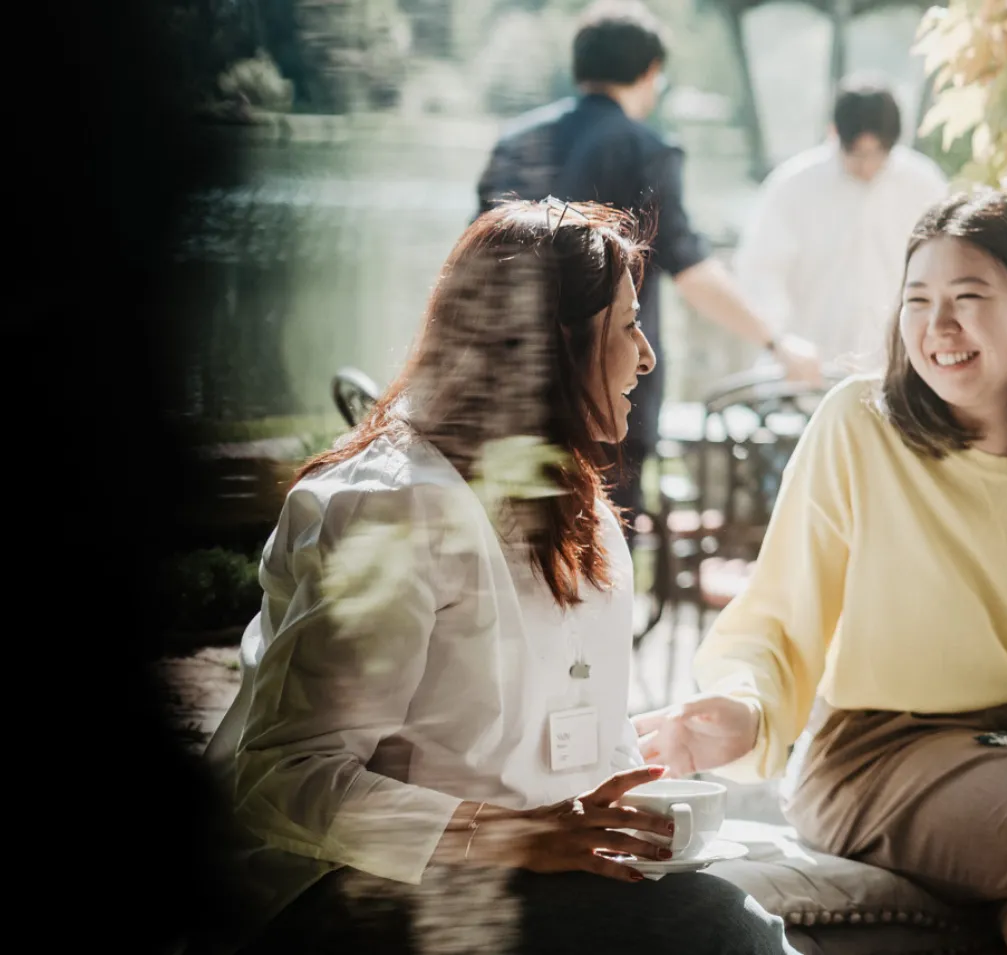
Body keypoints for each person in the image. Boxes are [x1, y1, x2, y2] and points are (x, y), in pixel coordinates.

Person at [637, 188, 1007, 955]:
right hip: (875, 760)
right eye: (917, 300)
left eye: (968, 297)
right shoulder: (860, 427)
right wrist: (745, 708)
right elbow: (777, 620)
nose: (936, 326)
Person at [203, 198, 796, 955]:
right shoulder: (392, 508)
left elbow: (562, 754)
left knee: (729, 899)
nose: (646, 356)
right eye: (625, 326)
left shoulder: (582, 515)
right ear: (547, 345)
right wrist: (510, 837)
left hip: (500, 883)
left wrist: (642, 764)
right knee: (716, 928)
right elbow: (283, 779)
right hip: (336, 895)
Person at [476, 0, 821, 526]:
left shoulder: (515, 142)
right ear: (649, 72)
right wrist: (777, 343)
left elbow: (478, 265)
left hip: (511, 371)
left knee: (512, 530)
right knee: (601, 536)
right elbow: (692, 272)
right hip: (604, 379)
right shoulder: (645, 149)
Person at [734, 76, 949, 373]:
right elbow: (760, 271)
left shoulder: (924, 185)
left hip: (899, 366)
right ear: (834, 134)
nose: (868, 166)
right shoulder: (794, 186)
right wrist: (781, 342)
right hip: (811, 367)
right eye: (858, 154)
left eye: (878, 155)